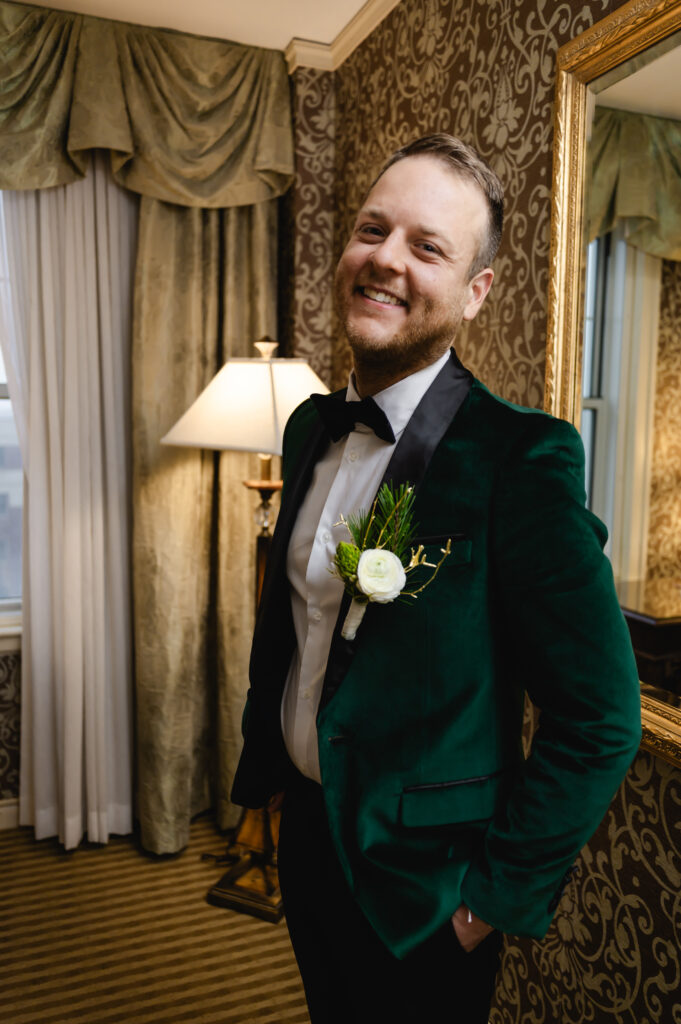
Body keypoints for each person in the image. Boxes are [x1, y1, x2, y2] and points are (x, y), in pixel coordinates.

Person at [231, 133, 641, 1023]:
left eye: (426, 247)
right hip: (307, 838)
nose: (384, 260)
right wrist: (269, 768)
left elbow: (600, 715)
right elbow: (297, 634)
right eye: (371, 231)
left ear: (475, 291)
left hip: (426, 897)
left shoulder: (520, 458)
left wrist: (484, 903)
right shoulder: (307, 429)